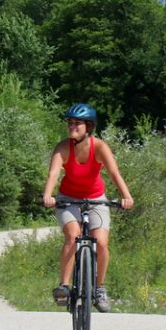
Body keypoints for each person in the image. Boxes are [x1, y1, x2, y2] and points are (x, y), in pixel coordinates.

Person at [42, 103, 134, 313]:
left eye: (77, 123)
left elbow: (114, 173)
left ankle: (99, 288)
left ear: (89, 127)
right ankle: (64, 286)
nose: (72, 126)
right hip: (68, 198)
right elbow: (53, 173)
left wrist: (126, 197)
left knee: (101, 242)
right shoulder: (63, 147)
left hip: (95, 198)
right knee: (73, 235)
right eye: (70, 122)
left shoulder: (99, 147)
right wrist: (48, 195)